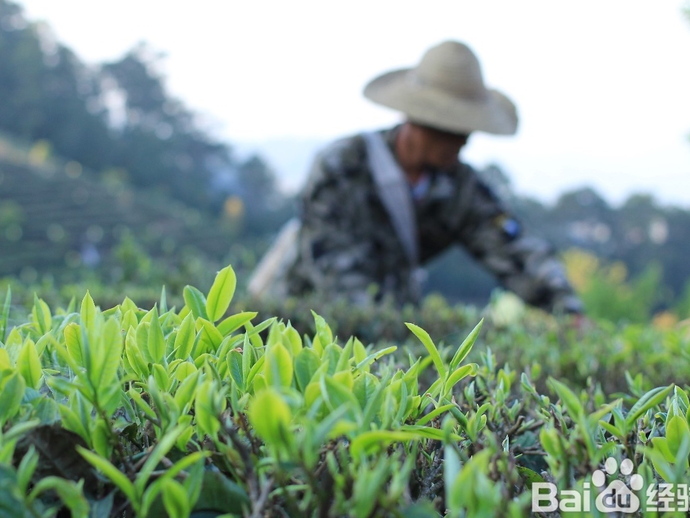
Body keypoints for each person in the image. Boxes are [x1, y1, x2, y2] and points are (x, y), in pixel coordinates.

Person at [247, 40, 583, 315]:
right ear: (421, 122)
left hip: (387, 328)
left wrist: (566, 309)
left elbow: (512, 248)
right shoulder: (343, 167)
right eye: (455, 130)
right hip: (299, 320)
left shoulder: (458, 187)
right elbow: (340, 276)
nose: (464, 141)